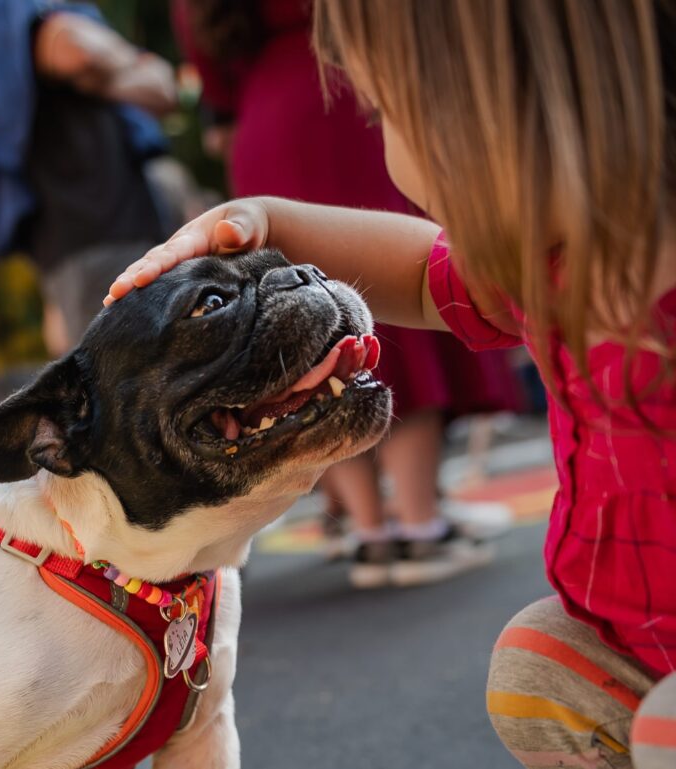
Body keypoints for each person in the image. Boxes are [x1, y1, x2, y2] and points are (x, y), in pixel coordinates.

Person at [105, 1, 676, 766]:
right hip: (638, 642)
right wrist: (267, 221)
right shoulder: (550, 266)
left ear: (482, 115)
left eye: (383, 114)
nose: (386, 149)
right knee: (535, 662)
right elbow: (415, 269)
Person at [173, 0, 517, 588]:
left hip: (264, 123)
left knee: (302, 329)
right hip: (346, 98)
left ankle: (369, 530)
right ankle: (420, 521)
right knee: (394, 298)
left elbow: (210, 71)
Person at [0, 0, 178, 355]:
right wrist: (126, 64)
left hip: (103, 243)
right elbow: (77, 50)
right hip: (96, 242)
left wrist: (98, 77)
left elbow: (162, 86)